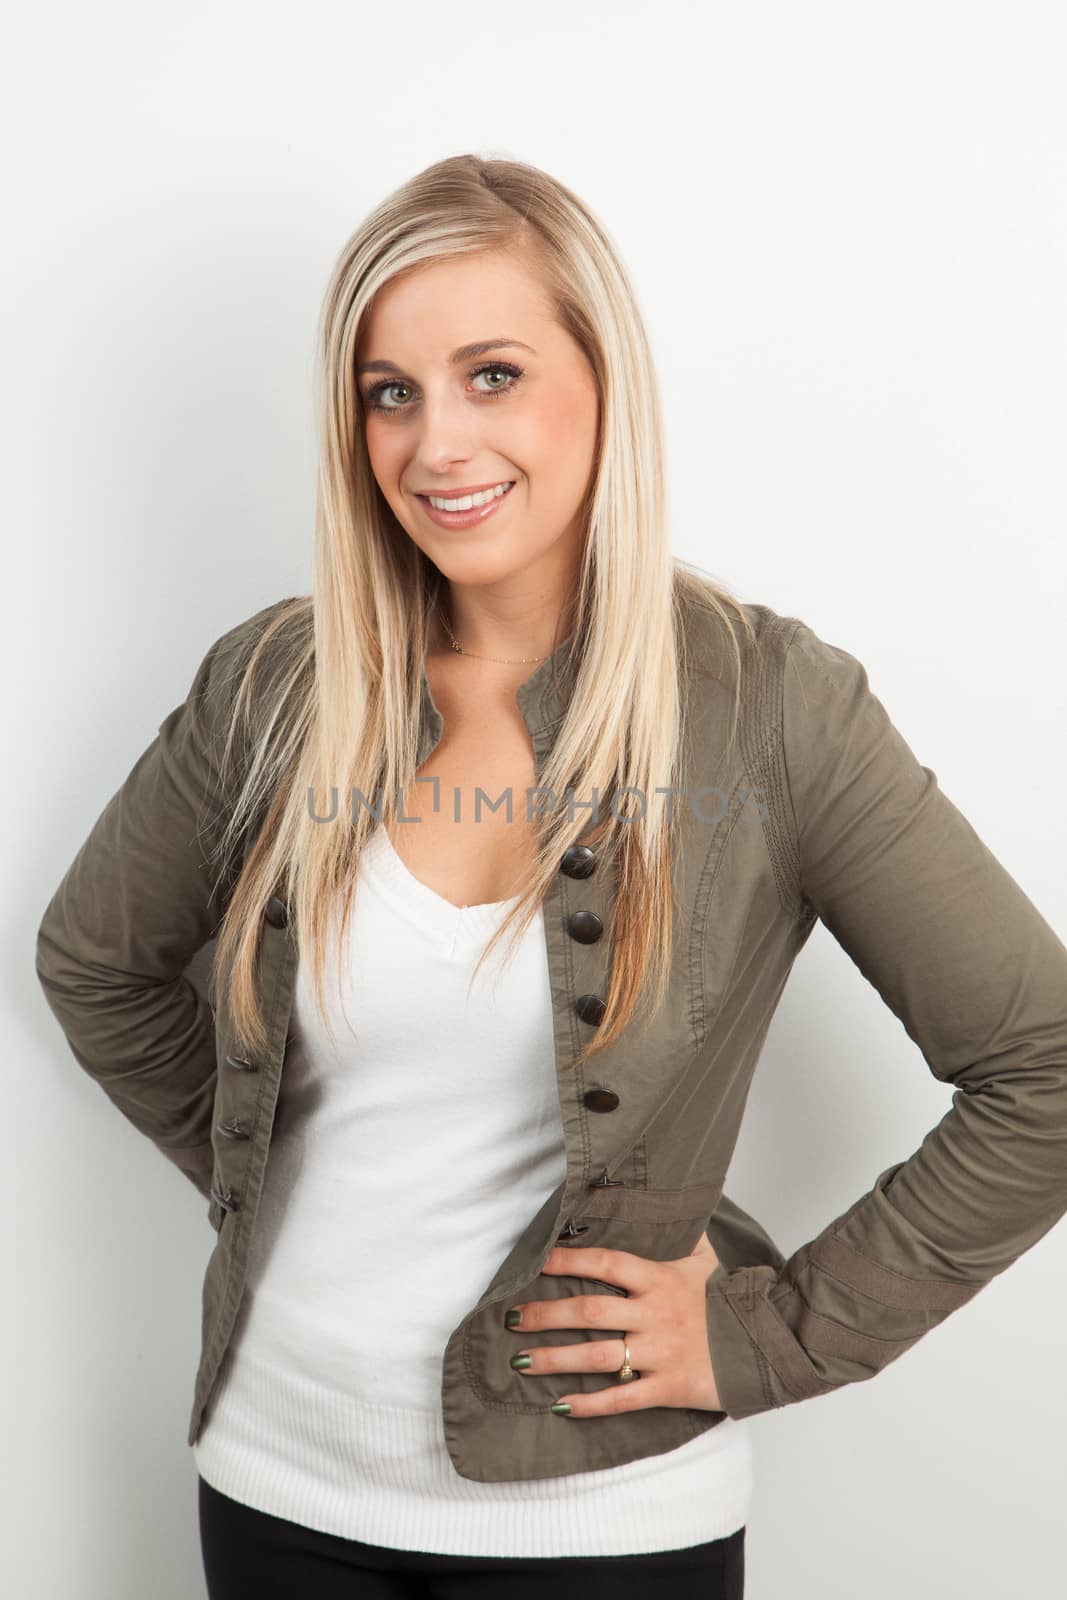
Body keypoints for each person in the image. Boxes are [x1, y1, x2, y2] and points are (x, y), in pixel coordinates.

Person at [35, 155, 1067, 1600]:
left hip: (600, 1532)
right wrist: (249, 1174)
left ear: (603, 384)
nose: (434, 442)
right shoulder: (278, 683)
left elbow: (1044, 1063)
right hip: (272, 1487)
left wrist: (765, 1334)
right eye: (390, 391)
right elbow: (94, 959)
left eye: (493, 373)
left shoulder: (771, 705)